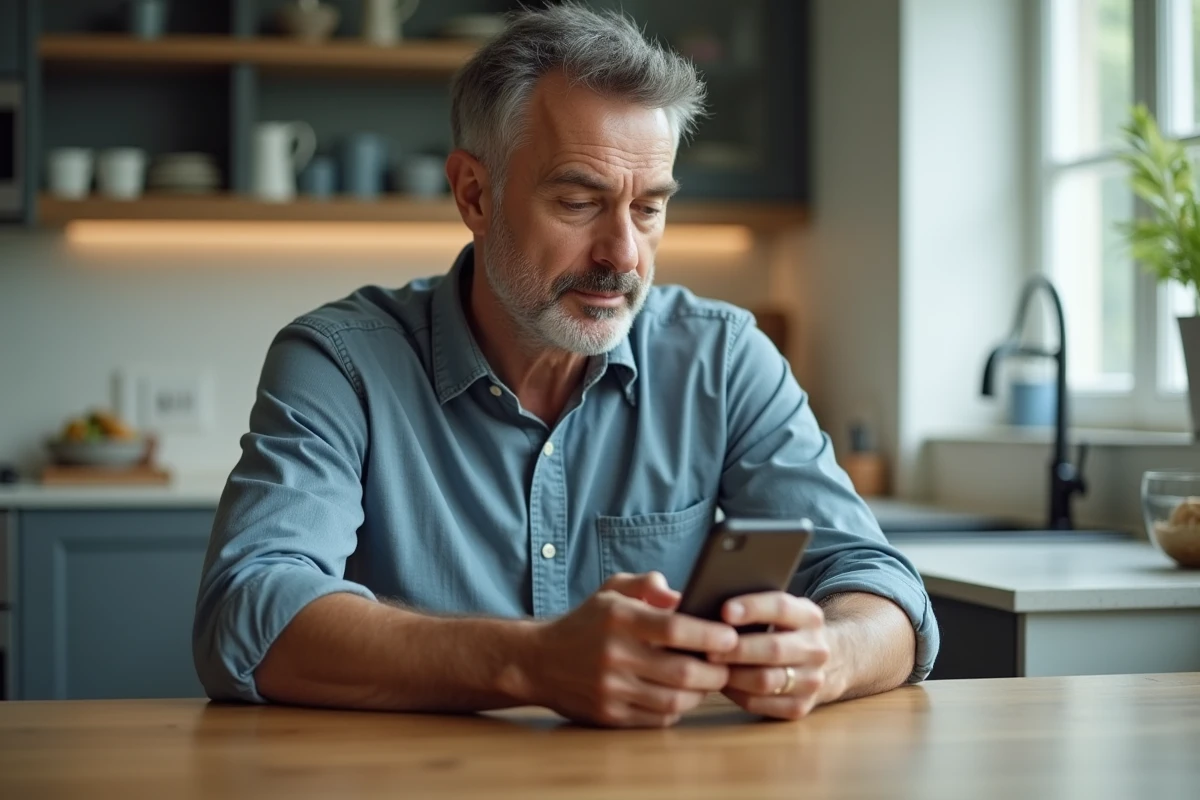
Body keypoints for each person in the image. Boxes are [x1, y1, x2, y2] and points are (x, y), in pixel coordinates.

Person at [193, 4, 938, 728]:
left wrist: (828, 656)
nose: (622, 255)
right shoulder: (340, 363)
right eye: (580, 202)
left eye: (649, 208)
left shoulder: (723, 359)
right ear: (474, 194)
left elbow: (884, 594)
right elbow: (249, 613)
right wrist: (531, 663)